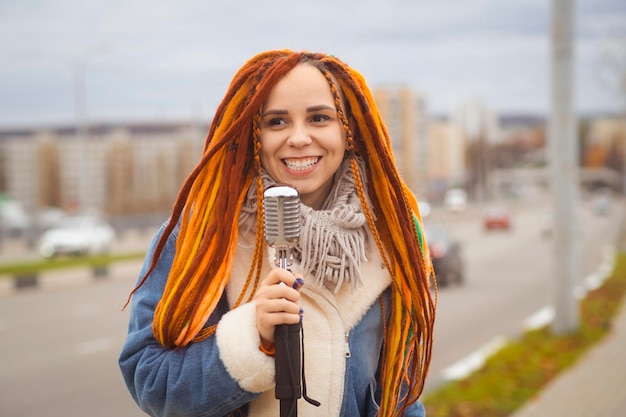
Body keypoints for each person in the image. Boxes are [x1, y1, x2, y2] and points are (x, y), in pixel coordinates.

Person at [119, 49, 436, 417]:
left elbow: (400, 393)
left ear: (347, 131)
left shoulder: (391, 238)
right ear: (253, 133)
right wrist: (252, 336)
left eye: (319, 118)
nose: (299, 138)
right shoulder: (200, 237)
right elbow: (150, 382)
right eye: (277, 122)